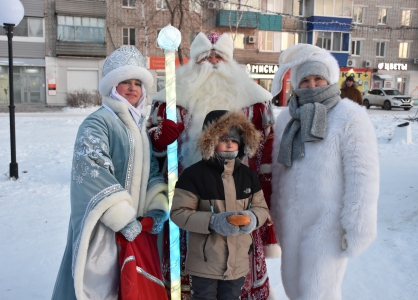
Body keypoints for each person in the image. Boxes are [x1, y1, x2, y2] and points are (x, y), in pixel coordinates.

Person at [148, 32, 280, 300]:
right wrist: (159, 142)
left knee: (236, 271)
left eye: (219, 56)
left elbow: (267, 154)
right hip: (189, 197)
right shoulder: (169, 103)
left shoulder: (255, 102)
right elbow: (150, 154)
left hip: (241, 197)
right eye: (205, 57)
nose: (212, 62)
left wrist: (265, 200)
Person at [51, 46, 169, 300]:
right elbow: (93, 171)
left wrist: (156, 207)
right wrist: (122, 219)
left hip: (136, 230)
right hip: (105, 228)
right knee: (101, 288)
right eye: (125, 81)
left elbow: (150, 173)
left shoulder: (139, 126)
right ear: (113, 86)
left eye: (137, 82)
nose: (132, 87)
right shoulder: (98, 122)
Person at [270, 43, 380, 300]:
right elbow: (278, 169)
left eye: (318, 78)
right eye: (305, 80)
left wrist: (357, 225)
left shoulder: (350, 116)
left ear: (330, 78)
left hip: (327, 221)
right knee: (293, 286)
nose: (312, 85)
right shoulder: (287, 118)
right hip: (292, 219)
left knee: (320, 292)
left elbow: (363, 176)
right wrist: (275, 211)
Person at [170, 110, 271, 300]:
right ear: (211, 140)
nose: (230, 143)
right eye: (223, 138)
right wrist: (213, 221)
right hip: (204, 264)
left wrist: (253, 218)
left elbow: (261, 208)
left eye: (234, 138)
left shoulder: (248, 176)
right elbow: (179, 213)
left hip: (237, 263)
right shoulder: (193, 175)